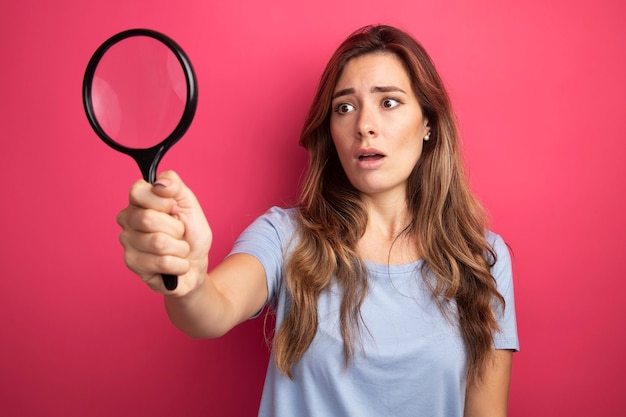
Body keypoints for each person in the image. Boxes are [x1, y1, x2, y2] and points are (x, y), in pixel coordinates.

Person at [116, 24, 519, 417]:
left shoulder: (483, 260)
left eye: (388, 102)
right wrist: (187, 281)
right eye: (345, 107)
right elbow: (211, 310)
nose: (364, 125)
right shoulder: (284, 236)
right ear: (331, 130)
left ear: (428, 122)